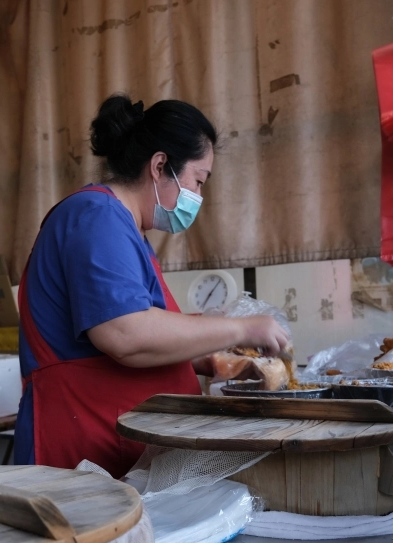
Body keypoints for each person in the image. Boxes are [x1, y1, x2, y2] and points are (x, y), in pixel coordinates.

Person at [15, 94, 289, 477]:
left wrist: (218, 359)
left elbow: (151, 333)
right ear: (160, 165)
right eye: (198, 180)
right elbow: (126, 334)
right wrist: (245, 327)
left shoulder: (127, 229)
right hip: (83, 443)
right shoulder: (97, 217)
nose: (199, 196)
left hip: (116, 439)